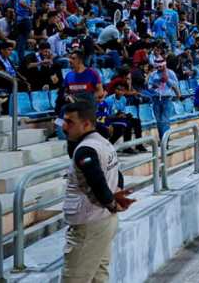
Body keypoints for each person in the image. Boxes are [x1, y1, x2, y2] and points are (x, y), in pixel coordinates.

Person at [61, 100, 135, 283]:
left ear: (86, 124)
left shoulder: (85, 149)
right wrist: (114, 196)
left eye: (70, 122)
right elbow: (117, 174)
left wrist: (111, 203)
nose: (64, 126)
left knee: (74, 279)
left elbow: (97, 182)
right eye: (64, 120)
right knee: (99, 276)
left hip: (89, 224)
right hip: (104, 221)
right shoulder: (103, 143)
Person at [147, 57, 181, 142]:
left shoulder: (171, 73)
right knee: (159, 121)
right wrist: (154, 86)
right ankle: (162, 139)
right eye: (157, 67)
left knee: (165, 120)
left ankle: (165, 141)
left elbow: (175, 85)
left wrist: (167, 79)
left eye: (160, 66)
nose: (158, 68)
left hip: (167, 99)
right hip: (156, 99)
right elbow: (149, 86)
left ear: (164, 65)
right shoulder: (153, 74)